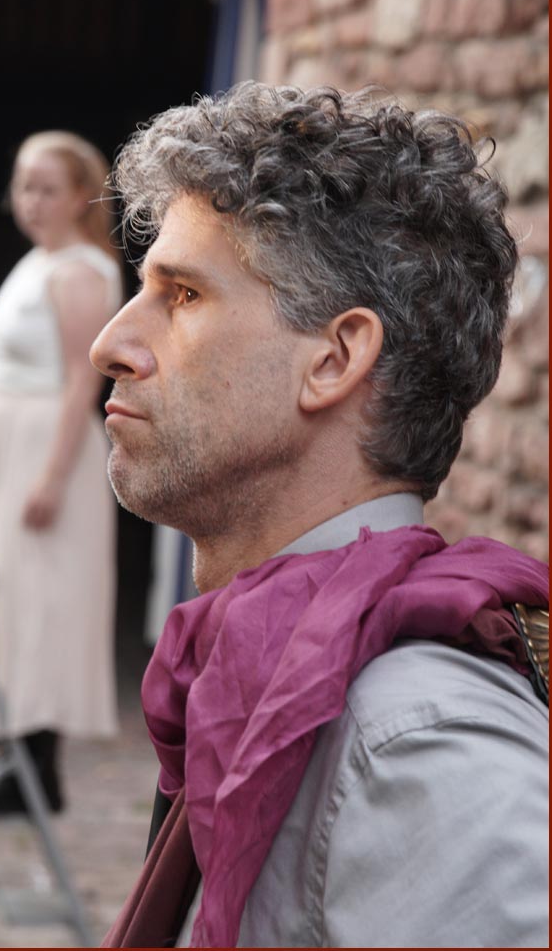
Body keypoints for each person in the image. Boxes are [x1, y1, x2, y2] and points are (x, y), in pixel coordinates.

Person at [89, 83, 549, 948]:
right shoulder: (280, 668)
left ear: (335, 359)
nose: (110, 343)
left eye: (182, 295)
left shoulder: (414, 741)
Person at [0, 130, 122, 814]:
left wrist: (52, 477)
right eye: (25, 186)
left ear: (81, 196)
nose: (32, 200)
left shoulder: (80, 271)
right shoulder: (37, 262)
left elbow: (83, 379)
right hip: (7, 440)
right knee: (11, 590)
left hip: (46, 445)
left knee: (44, 594)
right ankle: (11, 745)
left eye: (48, 188)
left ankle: (35, 763)